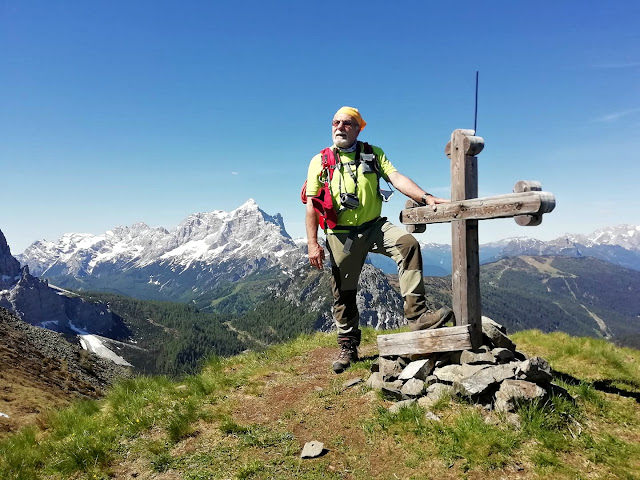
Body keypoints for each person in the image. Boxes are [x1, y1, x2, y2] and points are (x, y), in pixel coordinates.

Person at [305, 106, 454, 374]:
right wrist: (312, 243)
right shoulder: (320, 160)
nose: (340, 127)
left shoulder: (373, 154)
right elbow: (311, 204)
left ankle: (418, 316)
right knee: (343, 289)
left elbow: (395, 177)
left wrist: (424, 196)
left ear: (358, 128)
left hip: (374, 226)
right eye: (335, 122)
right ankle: (348, 344)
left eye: (347, 123)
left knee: (408, 245)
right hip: (341, 235)